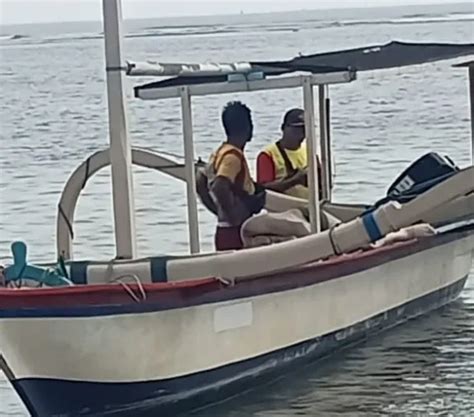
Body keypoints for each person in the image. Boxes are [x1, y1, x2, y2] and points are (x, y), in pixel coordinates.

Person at [196, 101, 265, 251]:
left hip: (224, 229)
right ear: (248, 128)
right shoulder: (232, 157)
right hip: (236, 231)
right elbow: (220, 185)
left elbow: (201, 180)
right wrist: (232, 214)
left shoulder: (219, 153)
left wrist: (217, 210)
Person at [256, 108, 321, 199]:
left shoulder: (309, 152)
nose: (301, 134)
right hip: (282, 208)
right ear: (283, 128)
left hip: (310, 205)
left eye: (304, 129)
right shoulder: (268, 155)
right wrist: (294, 180)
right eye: (296, 129)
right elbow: (263, 189)